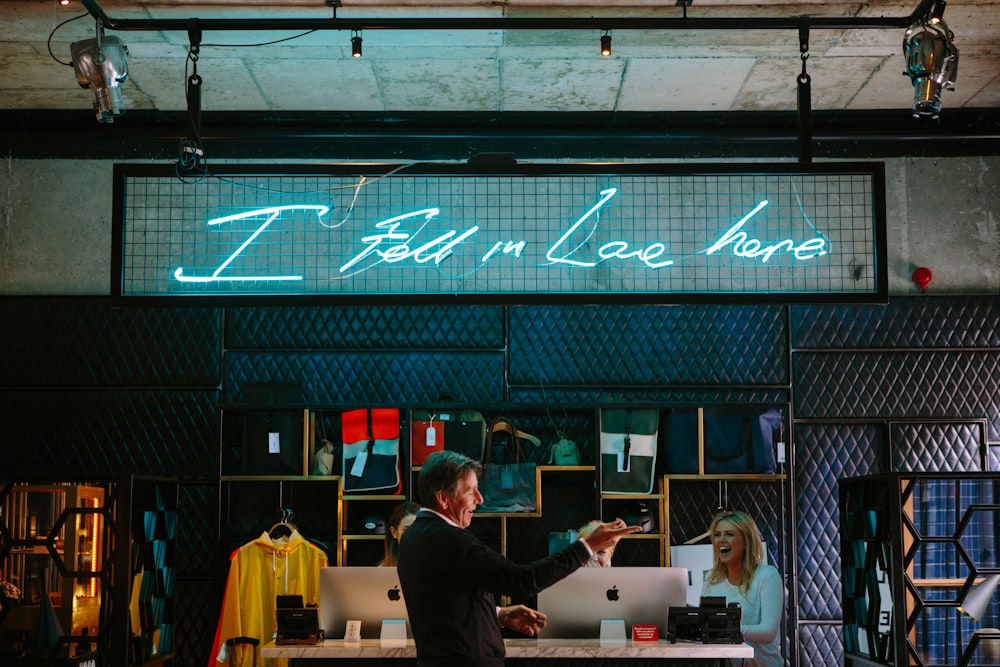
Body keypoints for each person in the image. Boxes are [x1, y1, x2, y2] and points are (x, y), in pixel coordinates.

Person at [397, 449, 640, 667]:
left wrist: (499, 614)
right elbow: (520, 580)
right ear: (443, 498)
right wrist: (587, 546)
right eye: (471, 491)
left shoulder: (414, 536)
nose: (480, 499)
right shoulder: (448, 539)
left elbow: (446, 604)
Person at [700, 510, 784, 667]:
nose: (721, 540)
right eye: (717, 535)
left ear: (746, 541)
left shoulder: (768, 576)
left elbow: (768, 632)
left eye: (729, 534)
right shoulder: (711, 579)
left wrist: (726, 628)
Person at [378, 501, 420, 567]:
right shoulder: (380, 572)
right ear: (394, 532)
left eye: (418, 529)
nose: (413, 535)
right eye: (407, 530)